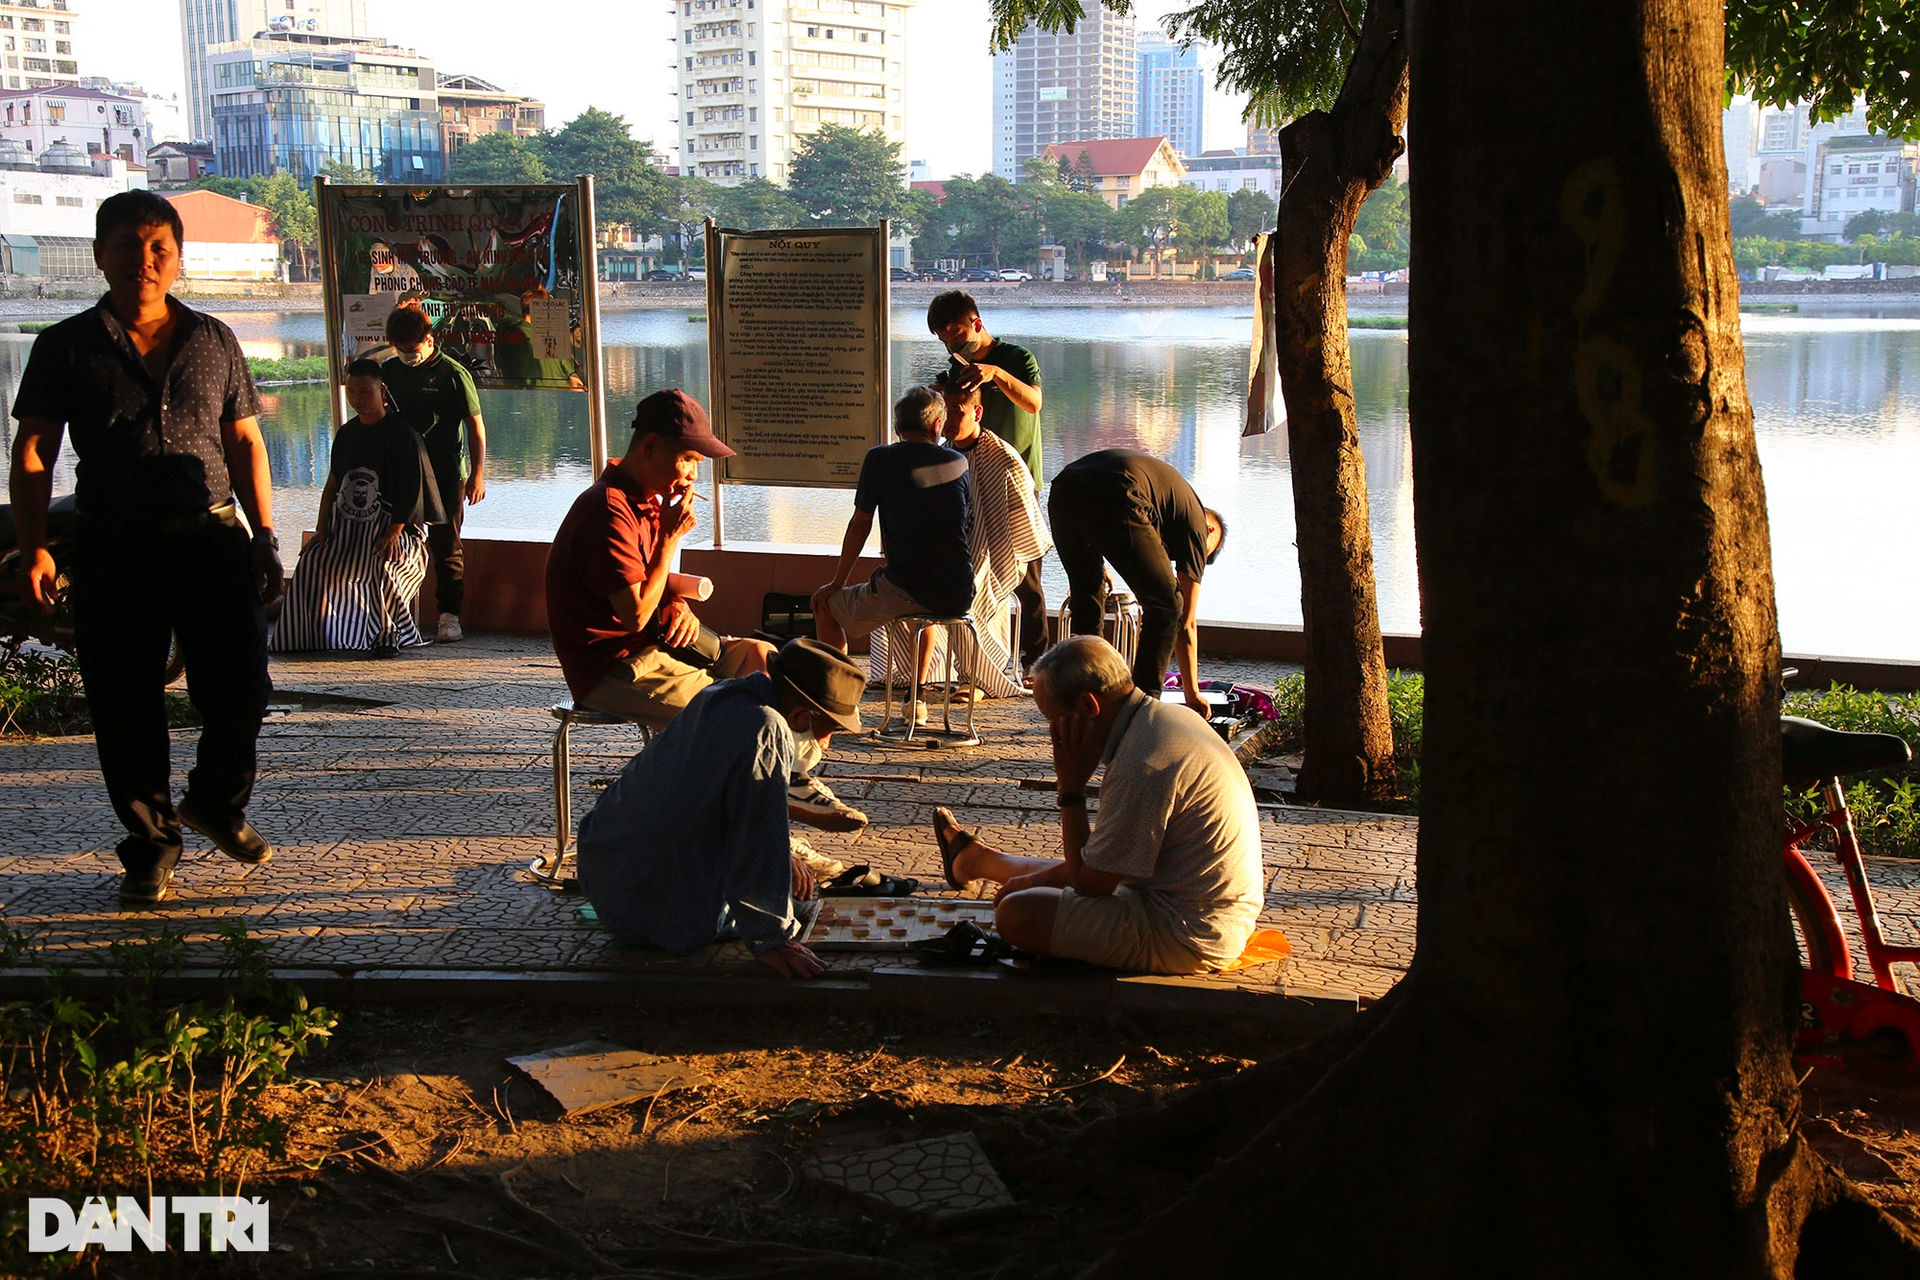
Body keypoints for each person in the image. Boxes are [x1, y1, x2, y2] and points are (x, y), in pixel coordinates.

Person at [8, 190, 282, 903]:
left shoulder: (214, 339)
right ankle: (151, 844)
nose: (145, 259)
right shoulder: (65, 346)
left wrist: (265, 535)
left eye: (159, 246)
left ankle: (216, 800)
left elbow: (245, 440)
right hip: (113, 550)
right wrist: (37, 548)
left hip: (214, 542)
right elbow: (35, 448)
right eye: (129, 245)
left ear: (179, 259)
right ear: (101, 255)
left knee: (242, 690)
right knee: (125, 704)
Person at [546, 388, 868, 832]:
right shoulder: (608, 510)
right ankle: (776, 824)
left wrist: (676, 602)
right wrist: (672, 538)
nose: (694, 474)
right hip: (616, 666)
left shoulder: (647, 500)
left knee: (760, 657)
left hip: (660, 645)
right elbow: (634, 614)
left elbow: (649, 582)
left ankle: (792, 771)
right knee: (741, 719)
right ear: (652, 446)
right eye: (689, 459)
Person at [931, 636, 1263, 974]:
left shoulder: (1142, 763)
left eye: (1053, 719)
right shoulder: (1162, 720)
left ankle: (984, 866)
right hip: (1203, 909)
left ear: (1089, 707)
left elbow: (1090, 883)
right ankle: (977, 861)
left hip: (1185, 934)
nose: (1051, 732)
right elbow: (1101, 865)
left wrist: (1070, 787)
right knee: (1082, 865)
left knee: (1017, 913)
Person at [577, 638, 865, 979]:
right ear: (802, 713)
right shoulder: (766, 727)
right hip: (648, 908)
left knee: (788, 882)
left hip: (608, 881)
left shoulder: (724, 693)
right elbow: (755, 838)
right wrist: (772, 938)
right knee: (799, 905)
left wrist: (784, 859)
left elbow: (712, 805)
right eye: (829, 730)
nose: (827, 744)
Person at [868, 374, 1051, 701]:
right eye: (946, 412)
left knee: (976, 583)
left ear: (977, 413)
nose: (949, 421)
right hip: (951, 552)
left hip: (994, 553)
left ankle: (977, 677)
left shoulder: (1003, 458)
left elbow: (1020, 523)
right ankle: (910, 672)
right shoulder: (942, 453)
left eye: (958, 412)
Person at [811, 387, 974, 725]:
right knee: (924, 611)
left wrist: (836, 583)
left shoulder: (880, 458)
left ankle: (841, 703)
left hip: (903, 587)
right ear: (936, 427)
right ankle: (916, 699)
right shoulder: (959, 461)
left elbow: (860, 524)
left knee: (825, 607)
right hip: (958, 591)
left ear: (898, 428)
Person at [272, 358, 445, 656]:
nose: (357, 399)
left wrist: (393, 532)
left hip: (397, 531)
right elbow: (331, 488)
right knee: (313, 561)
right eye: (351, 392)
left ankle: (386, 636)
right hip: (348, 529)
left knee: (380, 565)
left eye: (364, 391)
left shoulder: (404, 436)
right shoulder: (346, 434)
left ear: (382, 391)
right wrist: (322, 530)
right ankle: (304, 637)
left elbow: (410, 493)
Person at [1046, 448, 1227, 715]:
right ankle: (1141, 709)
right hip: (1118, 489)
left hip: (1064, 489)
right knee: (1167, 605)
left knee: (1088, 599)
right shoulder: (1198, 525)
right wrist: (1193, 695)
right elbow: (1184, 622)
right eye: (1204, 553)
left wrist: (1099, 558)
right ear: (1211, 531)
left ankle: (1082, 699)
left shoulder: (1169, 504)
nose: (1195, 560)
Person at [927, 290, 1048, 670]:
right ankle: (977, 657)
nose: (951, 343)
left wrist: (995, 374)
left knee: (1025, 572)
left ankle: (1038, 659)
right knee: (970, 565)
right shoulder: (956, 362)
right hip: (968, 472)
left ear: (975, 322)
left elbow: (1034, 402)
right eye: (943, 339)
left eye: (954, 333)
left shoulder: (1016, 358)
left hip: (1015, 476)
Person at [382, 301, 486, 645]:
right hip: (402, 469)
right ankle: (392, 613)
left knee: (446, 543)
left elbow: (475, 424)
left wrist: (478, 474)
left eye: (411, 349)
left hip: (444, 470)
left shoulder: (453, 373)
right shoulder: (390, 371)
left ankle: (448, 615)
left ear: (429, 339)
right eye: (400, 349)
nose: (407, 355)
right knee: (395, 539)